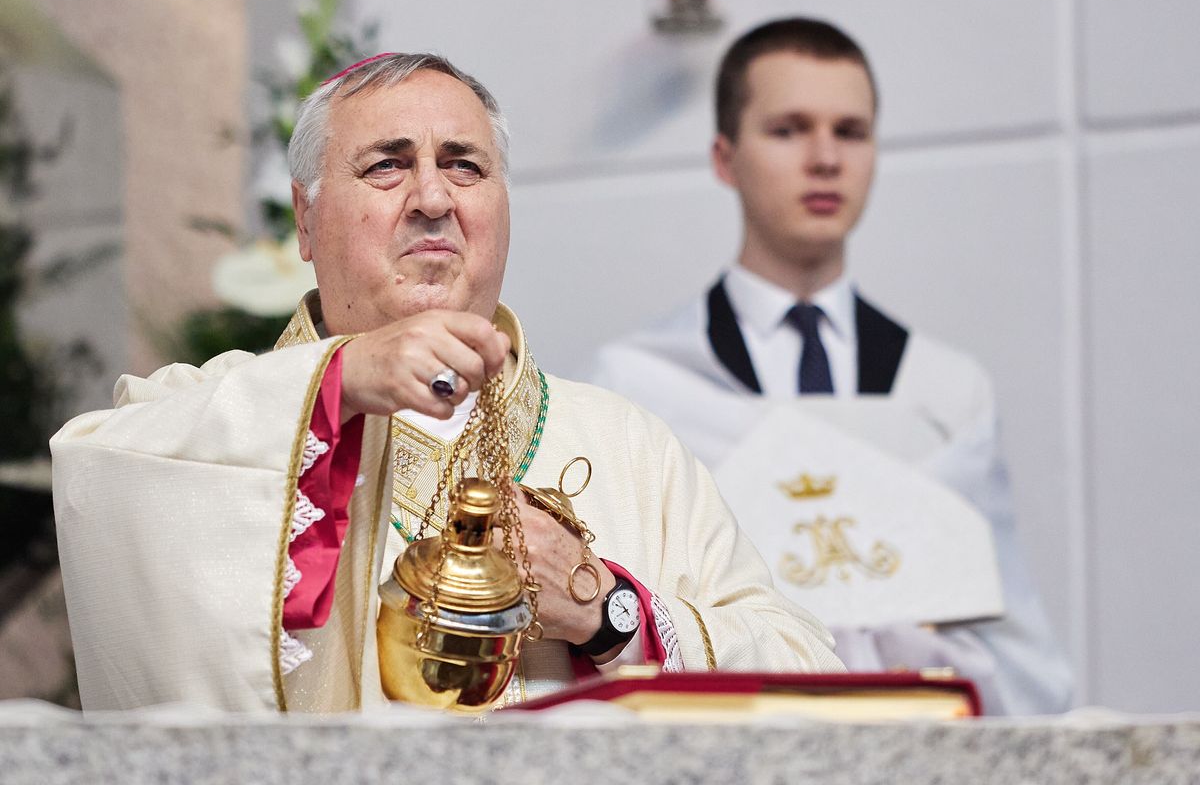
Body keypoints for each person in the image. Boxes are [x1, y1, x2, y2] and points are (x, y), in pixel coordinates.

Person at [50, 52, 842, 713]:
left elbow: (814, 683)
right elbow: (96, 472)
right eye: (387, 166)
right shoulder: (203, 418)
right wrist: (343, 377)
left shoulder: (626, 443)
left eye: (463, 165)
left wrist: (609, 613)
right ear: (304, 219)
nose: (433, 198)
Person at [591, 18, 1072, 715]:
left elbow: (1015, 643)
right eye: (788, 129)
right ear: (725, 158)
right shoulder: (637, 384)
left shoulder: (946, 390)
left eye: (850, 131)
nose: (825, 158)